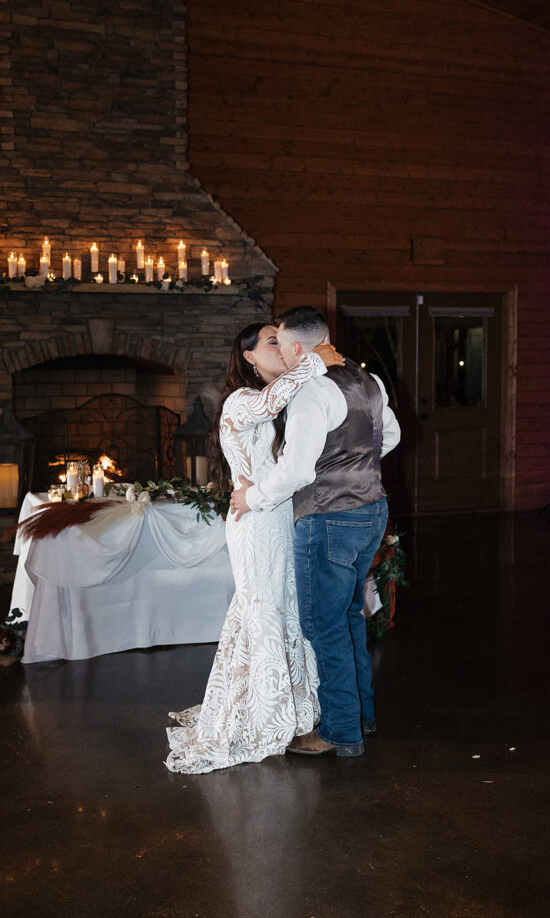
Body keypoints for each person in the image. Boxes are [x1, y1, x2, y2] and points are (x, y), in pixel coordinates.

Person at [165, 322, 344, 774]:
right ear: (247, 357)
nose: (280, 349)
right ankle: (266, 715)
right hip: (256, 524)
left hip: (283, 518)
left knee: (287, 608)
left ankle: (296, 706)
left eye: (283, 343)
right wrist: (314, 361)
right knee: (262, 609)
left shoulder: (283, 398)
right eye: (271, 342)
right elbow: (269, 401)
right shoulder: (241, 401)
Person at [230, 306, 401, 758]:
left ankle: (340, 733)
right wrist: (356, 466)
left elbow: (296, 471)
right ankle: (361, 716)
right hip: (373, 511)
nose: (282, 354)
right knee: (347, 618)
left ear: (295, 347)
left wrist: (252, 499)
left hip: (330, 518)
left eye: (281, 344)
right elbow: (391, 437)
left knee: (324, 628)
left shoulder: (311, 391)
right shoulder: (370, 381)